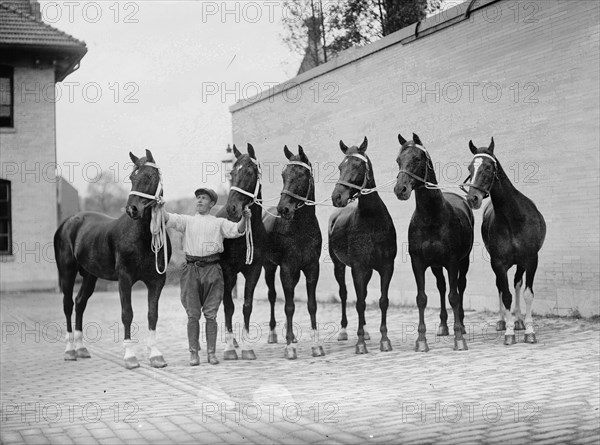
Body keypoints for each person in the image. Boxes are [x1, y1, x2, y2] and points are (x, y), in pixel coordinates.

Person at [165, 187, 250, 365]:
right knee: (193, 315)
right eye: (198, 198)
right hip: (191, 270)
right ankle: (193, 353)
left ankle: (211, 353)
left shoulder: (219, 223)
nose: (200, 201)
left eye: (203, 198)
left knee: (211, 314)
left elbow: (237, 230)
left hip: (212, 269)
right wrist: (158, 207)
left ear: (211, 203)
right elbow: (169, 219)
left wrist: (245, 218)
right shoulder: (187, 221)